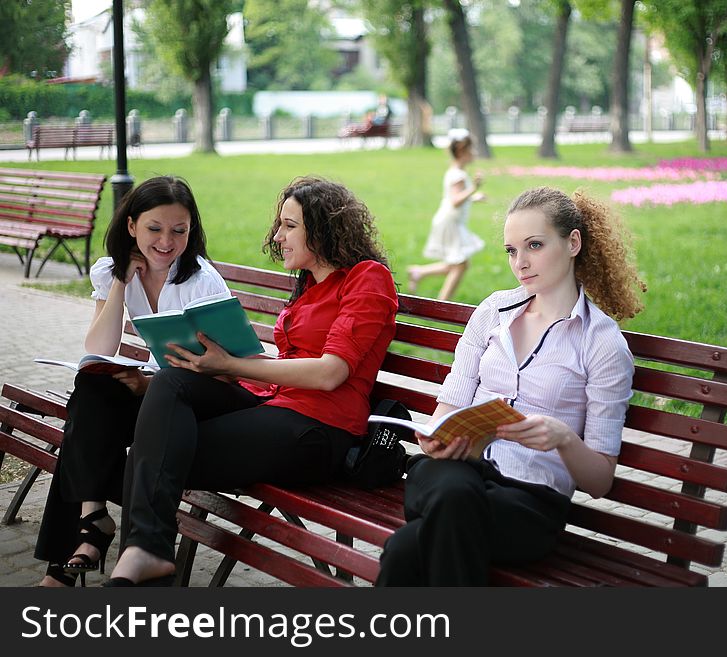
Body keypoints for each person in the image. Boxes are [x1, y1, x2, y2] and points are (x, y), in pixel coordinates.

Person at [104, 176, 399, 586]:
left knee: (150, 455)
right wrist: (217, 364)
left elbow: (331, 373)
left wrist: (234, 366)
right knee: (171, 385)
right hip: (275, 408)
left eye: (290, 225)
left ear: (324, 227)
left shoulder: (366, 278)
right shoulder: (309, 288)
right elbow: (282, 367)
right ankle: (147, 559)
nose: (278, 236)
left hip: (318, 429)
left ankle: (144, 567)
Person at [377, 186, 646, 586]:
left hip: (528, 504)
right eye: (511, 250)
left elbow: (599, 481)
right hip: (453, 473)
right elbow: (448, 410)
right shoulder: (491, 313)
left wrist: (563, 439)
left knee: (406, 550)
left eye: (534, 245)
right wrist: (437, 440)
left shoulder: (602, 344)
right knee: (451, 494)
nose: (520, 263)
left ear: (573, 242)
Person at [36, 176, 230, 587]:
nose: (166, 241)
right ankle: (90, 524)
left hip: (202, 397)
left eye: (179, 230)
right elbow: (99, 346)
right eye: (154, 229)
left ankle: (78, 547)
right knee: (91, 391)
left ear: (191, 230)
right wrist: (122, 284)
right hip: (161, 389)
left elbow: (220, 368)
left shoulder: (201, 281)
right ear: (131, 227)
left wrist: (150, 383)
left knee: (85, 423)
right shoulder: (114, 272)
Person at [407, 131, 486, 301]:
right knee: (461, 264)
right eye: (471, 150)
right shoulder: (458, 175)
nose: (474, 153)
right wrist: (474, 187)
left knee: (457, 264)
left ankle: (419, 273)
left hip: (451, 221)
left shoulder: (456, 171)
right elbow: (456, 200)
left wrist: (473, 198)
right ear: (461, 152)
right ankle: (442, 302)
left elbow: (456, 198)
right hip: (450, 222)